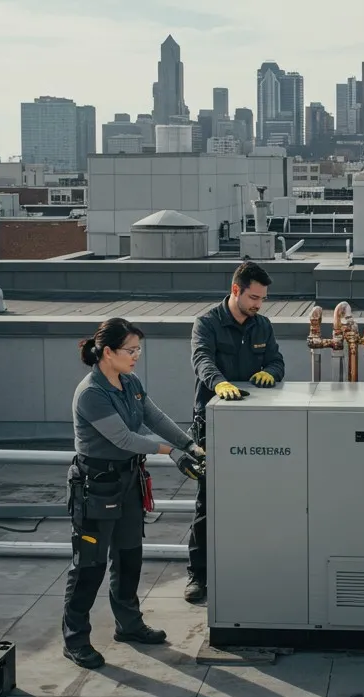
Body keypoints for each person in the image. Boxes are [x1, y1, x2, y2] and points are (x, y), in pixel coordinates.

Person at [64, 318, 205, 669]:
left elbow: (152, 417)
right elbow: (124, 438)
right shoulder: (91, 393)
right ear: (107, 352)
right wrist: (170, 452)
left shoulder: (130, 382)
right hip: (97, 487)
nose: (136, 356)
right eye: (130, 350)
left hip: (127, 484)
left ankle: (128, 624)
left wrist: (190, 444)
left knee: (129, 558)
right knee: (89, 567)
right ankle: (75, 638)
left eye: (139, 349)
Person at [185, 261, 285, 603]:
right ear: (235, 291)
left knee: (255, 499)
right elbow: (202, 361)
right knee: (209, 502)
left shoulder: (263, 326)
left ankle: (248, 568)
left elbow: (277, 361)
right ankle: (198, 576)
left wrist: (271, 372)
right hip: (213, 426)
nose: (258, 304)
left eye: (263, 298)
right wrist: (220, 384)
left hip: (254, 426)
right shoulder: (207, 323)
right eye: (254, 297)